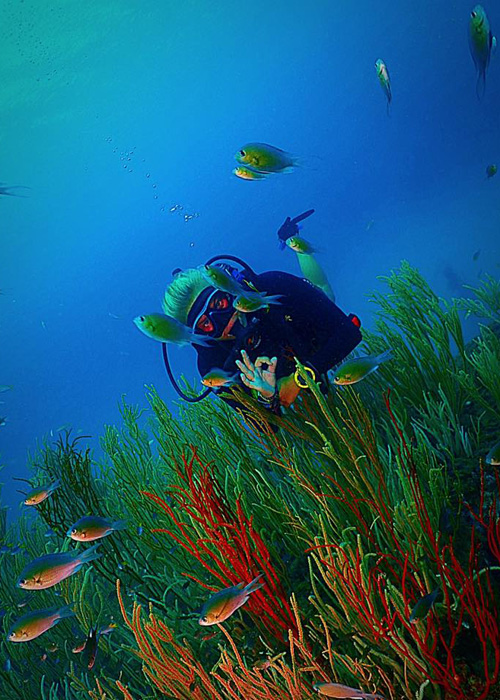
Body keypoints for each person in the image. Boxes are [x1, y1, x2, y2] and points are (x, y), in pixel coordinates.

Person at [162, 211, 362, 416]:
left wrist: (298, 380)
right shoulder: (212, 365)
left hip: (310, 337)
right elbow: (264, 427)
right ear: (197, 334)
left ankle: (294, 241)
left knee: (326, 295)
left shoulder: (271, 285)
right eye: (205, 324)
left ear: (228, 289)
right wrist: (267, 398)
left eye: (220, 303)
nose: (222, 321)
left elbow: (349, 333)